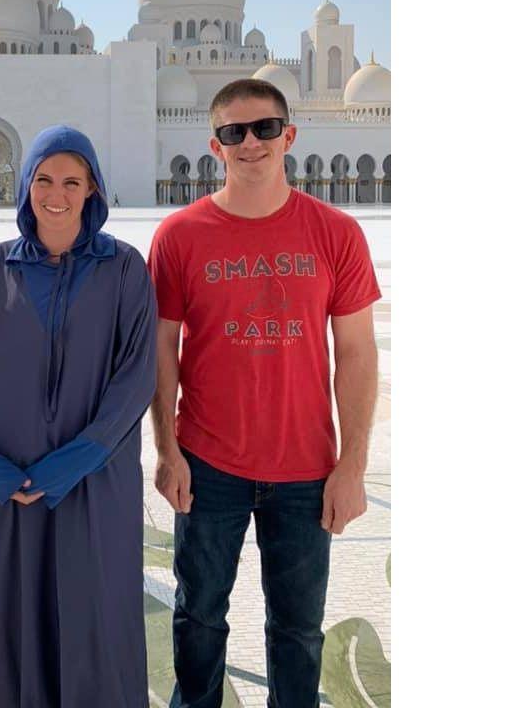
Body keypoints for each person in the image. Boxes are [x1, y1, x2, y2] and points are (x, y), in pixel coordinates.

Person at [147, 79, 380, 708]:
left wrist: (352, 465)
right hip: (208, 465)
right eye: (234, 132)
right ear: (215, 146)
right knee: (198, 620)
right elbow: (161, 350)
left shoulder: (335, 232)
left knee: (298, 632)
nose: (251, 143)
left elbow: (357, 353)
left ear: (290, 136)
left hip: (306, 470)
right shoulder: (179, 236)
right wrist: (168, 451)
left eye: (265, 129)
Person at [0, 125, 157, 708]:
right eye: (44, 179)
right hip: (12, 483)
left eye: (72, 181)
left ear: (92, 188)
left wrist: (66, 467)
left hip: (95, 480)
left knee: (94, 610)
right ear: (24, 186)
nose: (57, 193)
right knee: (15, 610)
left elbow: (135, 379)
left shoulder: (123, 268)